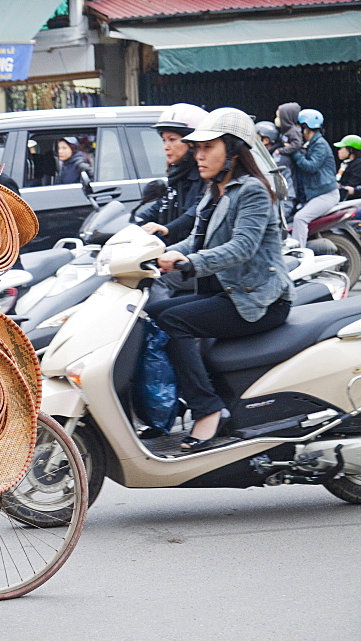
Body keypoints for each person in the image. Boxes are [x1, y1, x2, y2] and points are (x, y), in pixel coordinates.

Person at [147, 107, 294, 453]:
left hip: (257, 299)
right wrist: (152, 252)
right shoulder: (215, 191)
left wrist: (186, 263)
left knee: (172, 320)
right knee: (153, 314)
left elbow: (241, 248)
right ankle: (176, 406)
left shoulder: (253, 191)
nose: (198, 155)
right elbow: (195, 240)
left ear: (233, 150)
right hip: (229, 292)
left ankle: (208, 409)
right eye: (196, 148)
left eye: (207, 148)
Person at [138, 103, 209, 244]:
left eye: (172, 139)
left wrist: (167, 229)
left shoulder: (205, 175)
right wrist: (135, 222)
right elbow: (162, 204)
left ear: (192, 142)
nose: (166, 147)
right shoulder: (177, 174)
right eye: (164, 140)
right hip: (173, 247)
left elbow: (198, 209)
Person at [289, 108, 339, 248]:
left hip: (326, 195)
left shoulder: (320, 145)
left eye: (300, 126)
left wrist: (294, 152)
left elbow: (311, 166)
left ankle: (299, 254)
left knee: (300, 218)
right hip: (317, 195)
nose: (299, 130)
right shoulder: (311, 145)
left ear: (306, 127)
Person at [255, 121, 297, 220]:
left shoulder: (277, 160)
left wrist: (280, 214)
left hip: (283, 207)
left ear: (265, 140)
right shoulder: (265, 156)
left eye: (256, 137)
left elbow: (286, 194)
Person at [333, 134, 361, 201]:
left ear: (350, 150)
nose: (338, 151)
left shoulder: (358, 164)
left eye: (341, 148)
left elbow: (351, 185)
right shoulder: (345, 164)